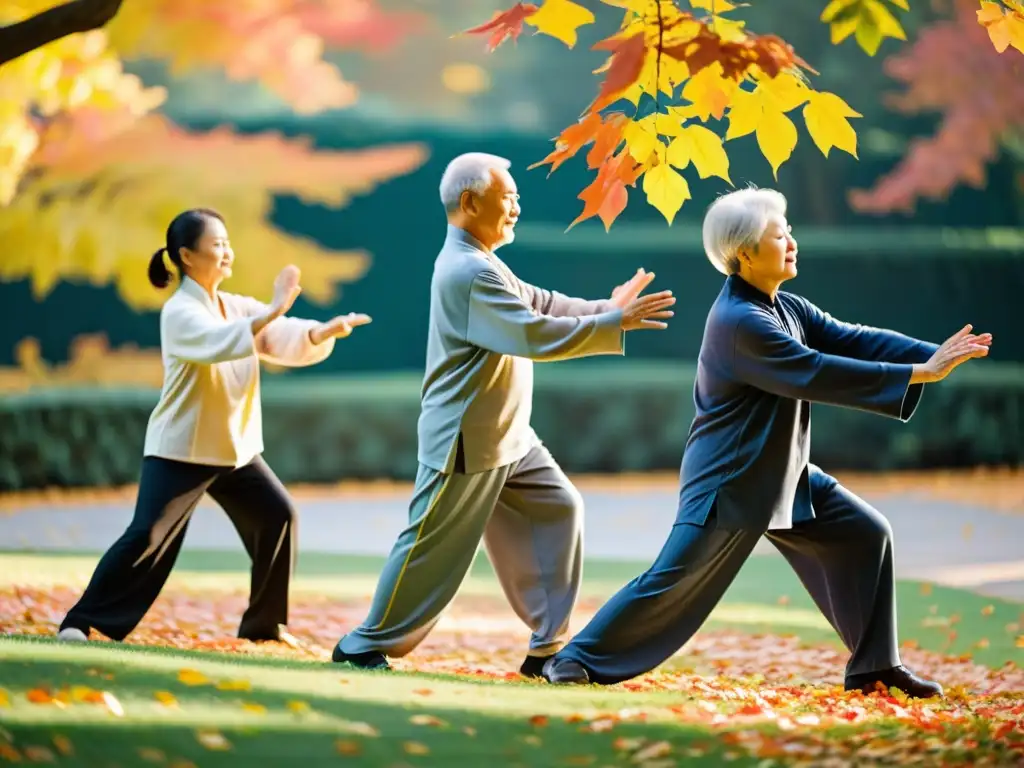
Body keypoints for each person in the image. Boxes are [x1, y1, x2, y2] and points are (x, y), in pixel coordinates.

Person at [542, 187, 992, 699]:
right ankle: (574, 659)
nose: (791, 241)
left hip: (784, 475)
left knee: (865, 533)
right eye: (780, 235)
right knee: (671, 582)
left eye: (789, 230)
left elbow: (851, 338)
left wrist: (937, 354)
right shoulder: (741, 322)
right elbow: (814, 372)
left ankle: (874, 667)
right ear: (746, 254)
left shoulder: (785, 306)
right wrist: (918, 373)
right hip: (730, 483)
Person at [331, 152, 677, 676]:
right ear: (470, 203)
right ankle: (363, 643)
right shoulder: (467, 270)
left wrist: (607, 309)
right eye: (508, 198)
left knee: (558, 507)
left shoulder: (482, 260)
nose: (517, 207)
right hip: (466, 437)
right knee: (430, 547)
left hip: (509, 435)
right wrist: (614, 323)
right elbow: (534, 333)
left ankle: (546, 649)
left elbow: (543, 303)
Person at [57, 208, 371, 645]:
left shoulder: (234, 304)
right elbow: (221, 343)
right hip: (182, 449)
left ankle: (265, 626)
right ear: (186, 256)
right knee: (149, 535)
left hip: (234, 449)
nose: (227, 252)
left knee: (277, 516)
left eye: (228, 243)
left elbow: (273, 336)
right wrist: (277, 307)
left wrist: (321, 333)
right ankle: (80, 621)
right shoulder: (180, 312)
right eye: (217, 244)